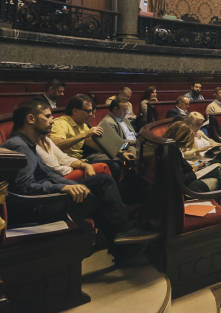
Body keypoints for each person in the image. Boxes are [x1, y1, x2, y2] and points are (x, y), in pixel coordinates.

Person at [3, 101, 152, 258]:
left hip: (46, 196)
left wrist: (71, 185)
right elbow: (24, 187)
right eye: (47, 116)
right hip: (37, 205)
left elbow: (49, 173)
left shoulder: (29, 144)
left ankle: (124, 244)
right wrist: (63, 188)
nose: (52, 120)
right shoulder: (19, 146)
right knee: (102, 184)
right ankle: (125, 237)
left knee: (100, 187)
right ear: (31, 119)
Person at [163, 121, 221, 192]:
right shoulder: (172, 152)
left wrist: (196, 167)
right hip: (187, 187)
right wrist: (194, 170)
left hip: (192, 172)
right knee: (217, 177)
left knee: (219, 166)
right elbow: (180, 179)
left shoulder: (167, 146)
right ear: (181, 138)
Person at [50, 93, 103, 161]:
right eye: (88, 111)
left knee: (114, 159)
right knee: (114, 165)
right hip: (65, 162)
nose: (91, 115)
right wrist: (85, 134)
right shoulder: (60, 123)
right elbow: (56, 145)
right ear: (75, 111)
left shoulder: (83, 124)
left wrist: (116, 152)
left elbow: (93, 145)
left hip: (80, 159)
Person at [37, 134, 111, 180]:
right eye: (47, 116)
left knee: (112, 164)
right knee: (103, 170)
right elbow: (56, 170)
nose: (52, 121)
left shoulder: (46, 140)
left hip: (73, 165)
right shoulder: (32, 145)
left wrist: (85, 165)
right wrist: (72, 167)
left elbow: (64, 158)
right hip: (57, 179)